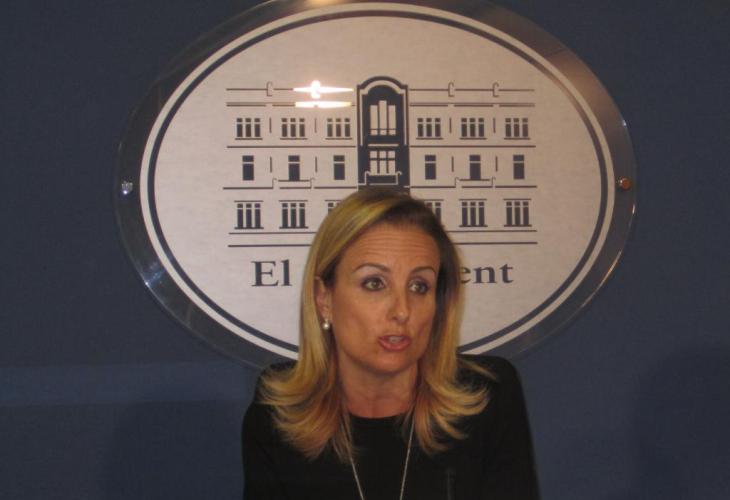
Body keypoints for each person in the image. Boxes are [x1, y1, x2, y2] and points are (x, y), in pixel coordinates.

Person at [242, 188, 540, 499]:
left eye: (419, 286)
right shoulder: (279, 414)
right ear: (324, 298)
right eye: (374, 283)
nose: (402, 311)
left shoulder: (486, 397)